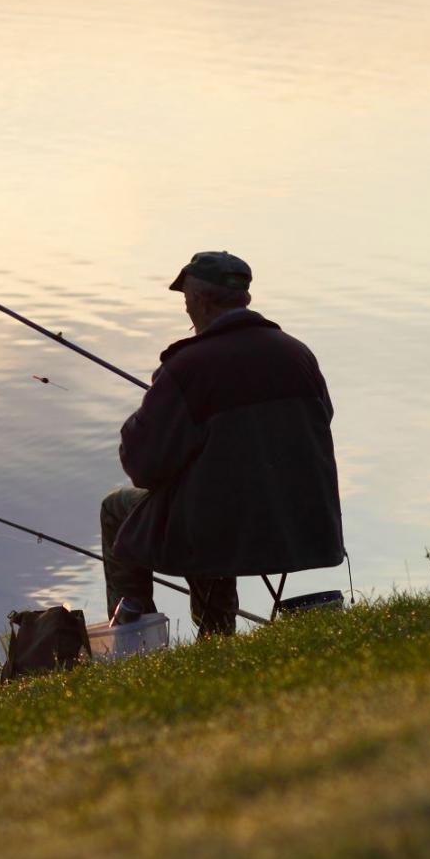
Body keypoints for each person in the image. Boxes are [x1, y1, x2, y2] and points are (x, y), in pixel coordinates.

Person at [101, 251, 343, 639]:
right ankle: (216, 632)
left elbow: (142, 465)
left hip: (222, 530)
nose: (186, 311)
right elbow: (318, 423)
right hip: (299, 523)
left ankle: (135, 640)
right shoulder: (298, 354)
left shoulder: (188, 366)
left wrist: (147, 412)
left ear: (200, 299)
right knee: (212, 494)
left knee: (118, 507)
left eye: (186, 301)